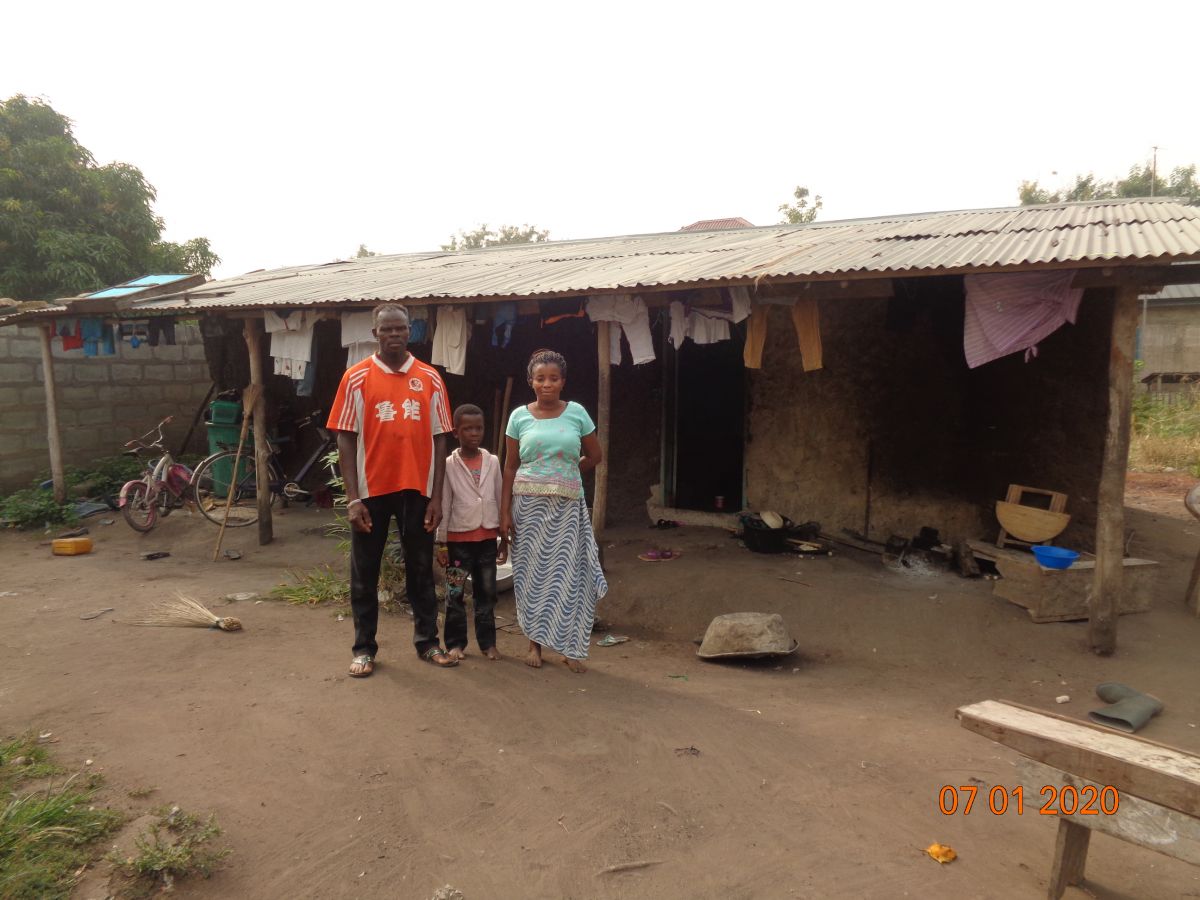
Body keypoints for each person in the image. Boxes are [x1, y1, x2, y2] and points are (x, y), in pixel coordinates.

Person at [327, 303, 458, 676]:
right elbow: (345, 437)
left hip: (417, 490)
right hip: (371, 492)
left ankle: (428, 643)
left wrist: (436, 497)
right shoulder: (356, 378)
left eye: (401, 328)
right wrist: (353, 498)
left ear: (410, 330)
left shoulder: (430, 378)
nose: (395, 334)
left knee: (421, 569)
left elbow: (440, 438)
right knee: (364, 572)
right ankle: (363, 649)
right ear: (375, 334)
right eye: (387, 329)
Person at [500, 349, 608, 673]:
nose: (546, 384)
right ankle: (534, 643)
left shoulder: (577, 413)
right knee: (531, 576)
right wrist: (504, 512)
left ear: (563, 381)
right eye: (540, 378)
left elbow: (595, 455)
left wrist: (568, 473)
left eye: (553, 378)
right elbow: (510, 467)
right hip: (527, 508)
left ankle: (570, 647)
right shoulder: (519, 417)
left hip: (566, 508)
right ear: (531, 381)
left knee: (569, 577)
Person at [435, 404, 507, 661]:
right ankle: (455, 644)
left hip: (487, 540)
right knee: (455, 593)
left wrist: (504, 537)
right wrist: (441, 542)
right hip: (457, 542)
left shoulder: (492, 462)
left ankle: (488, 643)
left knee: (486, 593)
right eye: (468, 429)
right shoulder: (448, 465)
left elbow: (500, 496)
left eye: (479, 428)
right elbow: (444, 502)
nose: (474, 433)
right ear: (456, 432)